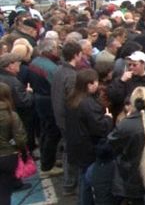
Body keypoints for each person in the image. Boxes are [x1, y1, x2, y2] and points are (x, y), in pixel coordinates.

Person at [65, 69, 114, 205]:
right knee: (87, 179)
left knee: (82, 175)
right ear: (89, 85)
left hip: (76, 144)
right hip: (89, 147)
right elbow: (100, 128)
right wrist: (108, 119)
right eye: (96, 82)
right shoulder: (89, 104)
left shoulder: (71, 98)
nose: (98, 84)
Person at [28, 39, 63, 178]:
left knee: (45, 131)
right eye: (56, 47)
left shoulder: (35, 61)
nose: (57, 50)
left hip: (40, 99)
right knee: (52, 133)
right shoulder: (50, 67)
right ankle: (47, 166)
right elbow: (57, 86)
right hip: (48, 101)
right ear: (51, 50)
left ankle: (47, 160)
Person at [51, 41, 82, 196]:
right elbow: (72, 102)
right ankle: (70, 184)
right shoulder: (71, 75)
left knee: (67, 150)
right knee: (71, 152)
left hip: (60, 117)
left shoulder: (60, 70)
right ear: (76, 55)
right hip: (67, 121)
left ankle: (68, 181)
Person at [109, 51, 145, 117]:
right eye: (129, 65)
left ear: (143, 64)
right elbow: (113, 97)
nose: (131, 67)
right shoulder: (124, 78)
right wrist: (121, 81)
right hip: (131, 116)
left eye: (134, 65)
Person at [0, 82, 29, 204]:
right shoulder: (11, 115)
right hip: (7, 155)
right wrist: (24, 153)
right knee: (5, 192)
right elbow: (20, 138)